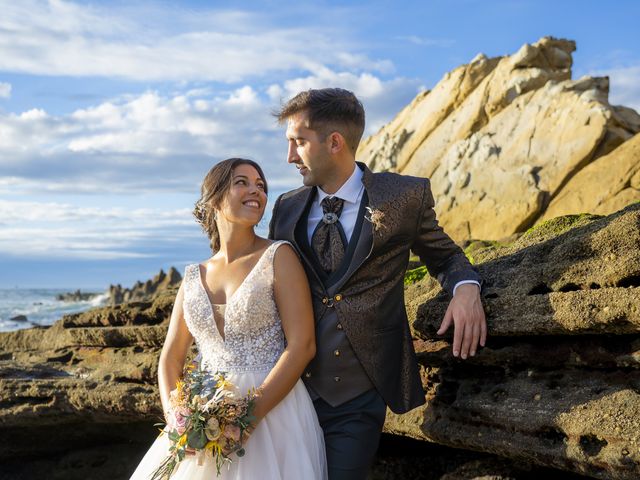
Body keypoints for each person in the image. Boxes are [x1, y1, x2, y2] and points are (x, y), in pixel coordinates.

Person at [269, 88, 486, 479]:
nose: (289, 157)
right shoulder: (286, 208)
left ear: (334, 142)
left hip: (360, 394)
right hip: (292, 392)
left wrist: (466, 288)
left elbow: (445, 256)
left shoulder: (405, 195)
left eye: (298, 142)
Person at [130, 158, 327, 479]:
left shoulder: (279, 256)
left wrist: (249, 417)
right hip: (202, 410)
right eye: (242, 182)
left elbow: (302, 346)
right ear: (215, 198)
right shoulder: (194, 275)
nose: (256, 191)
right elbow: (170, 358)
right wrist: (177, 418)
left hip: (272, 413)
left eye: (261, 185)